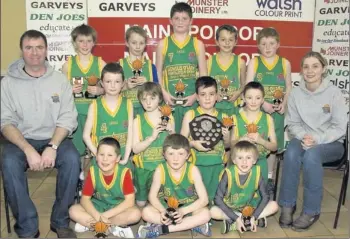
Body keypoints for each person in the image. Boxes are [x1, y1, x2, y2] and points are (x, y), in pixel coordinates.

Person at [0, 30, 80, 238]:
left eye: (39, 47)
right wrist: (27, 150)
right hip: (21, 139)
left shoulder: (60, 80)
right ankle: (27, 226)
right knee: (8, 162)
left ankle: (60, 221)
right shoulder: (7, 83)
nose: (34, 53)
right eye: (29, 47)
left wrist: (52, 147)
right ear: (22, 51)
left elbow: (67, 118)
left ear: (46, 50)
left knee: (72, 159)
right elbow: (5, 122)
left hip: (54, 137)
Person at [278, 51, 347, 231]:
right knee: (291, 152)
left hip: (332, 144)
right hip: (303, 139)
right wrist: (305, 137)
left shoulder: (334, 93)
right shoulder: (295, 94)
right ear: (301, 70)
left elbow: (340, 127)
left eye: (315, 66)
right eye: (306, 67)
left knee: (311, 156)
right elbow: (292, 123)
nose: (310, 71)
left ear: (323, 69)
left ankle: (311, 210)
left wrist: (317, 139)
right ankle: (287, 204)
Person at [246, 27, 292, 192]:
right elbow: (248, 86)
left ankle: (270, 177)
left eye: (271, 43)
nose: (268, 47)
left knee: (273, 145)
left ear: (278, 44)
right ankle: (251, 174)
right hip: (257, 110)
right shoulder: (254, 62)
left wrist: (283, 103)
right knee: (255, 142)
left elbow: (288, 87)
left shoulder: (285, 63)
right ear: (258, 45)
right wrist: (262, 103)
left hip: (276, 113)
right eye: (264, 44)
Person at [138, 134, 211, 238]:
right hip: (167, 209)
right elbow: (152, 196)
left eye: (180, 154)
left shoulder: (193, 170)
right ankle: (190, 225)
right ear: (164, 154)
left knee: (206, 214)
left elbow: (204, 200)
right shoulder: (160, 170)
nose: (175, 158)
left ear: (188, 155)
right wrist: (163, 211)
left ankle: (161, 229)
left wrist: (182, 211)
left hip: (187, 208)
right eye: (171, 153)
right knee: (145, 213)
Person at [69, 137, 141, 237]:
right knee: (73, 210)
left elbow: (129, 201)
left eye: (110, 155)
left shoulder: (125, 173)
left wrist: (104, 216)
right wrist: (97, 216)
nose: (105, 159)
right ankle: (113, 227)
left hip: (116, 208)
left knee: (136, 214)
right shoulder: (93, 171)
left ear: (118, 158)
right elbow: (85, 199)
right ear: (96, 156)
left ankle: (93, 225)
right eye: (101, 154)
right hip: (98, 206)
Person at [156, 2, 207, 132]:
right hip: (169, 101)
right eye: (176, 18)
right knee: (171, 140)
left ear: (191, 21)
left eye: (184, 18)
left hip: (191, 100)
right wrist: (164, 93)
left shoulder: (198, 44)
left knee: (190, 138)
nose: (180, 22)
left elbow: (204, 76)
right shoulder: (163, 44)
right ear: (170, 21)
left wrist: (196, 95)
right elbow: (157, 74)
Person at [181, 76, 232, 202]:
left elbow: (227, 146)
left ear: (216, 96)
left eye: (211, 94)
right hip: (196, 166)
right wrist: (192, 144)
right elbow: (181, 143)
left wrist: (227, 137)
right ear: (197, 97)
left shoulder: (224, 117)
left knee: (216, 202)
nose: (207, 98)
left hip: (217, 166)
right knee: (197, 201)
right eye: (203, 94)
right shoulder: (190, 115)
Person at [210, 141, 278, 234]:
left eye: (248, 158)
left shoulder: (257, 172)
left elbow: (265, 196)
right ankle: (247, 221)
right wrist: (236, 218)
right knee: (213, 212)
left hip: (248, 207)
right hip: (230, 207)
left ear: (254, 160)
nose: (244, 161)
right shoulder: (228, 173)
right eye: (240, 158)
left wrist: (254, 216)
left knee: (274, 205)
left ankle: (241, 222)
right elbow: (217, 199)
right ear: (234, 160)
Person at [62, 24, 106, 157]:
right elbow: (61, 93)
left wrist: (100, 90)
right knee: (76, 152)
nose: (85, 45)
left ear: (94, 43)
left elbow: (111, 89)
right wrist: (69, 90)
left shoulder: (100, 64)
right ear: (74, 43)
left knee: (96, 151)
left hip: (95, 114)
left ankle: (93, 177)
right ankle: (78, 176)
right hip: (75, 115)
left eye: (88, 41)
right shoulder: (67, 65)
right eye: (81, 41)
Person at [83, 63, 133, 168]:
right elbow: (86, 136)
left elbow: (131, 134)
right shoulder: (95, 106)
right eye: (108, 81)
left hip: (122, 159)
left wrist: (126, 157)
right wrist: (98, 154)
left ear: (123, 83)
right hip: (102, 162)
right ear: (101, 83)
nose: (113, 85)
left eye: (117, 81)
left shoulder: (128, 104)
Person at [132, 82, 175, 207]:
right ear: (140, 101)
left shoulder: (168, 117)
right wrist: (151, 138)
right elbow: (135, 149)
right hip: (144, 169)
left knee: (161, 202)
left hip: (162, 168)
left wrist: (172, 130)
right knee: (140, 203)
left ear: (160, 98)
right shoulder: (137, 121)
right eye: (144, 99)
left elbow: (176, 144)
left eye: (152, 98)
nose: (148, 103)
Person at [230, 82, 278, 181]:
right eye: (249, 97)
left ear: (262, 100)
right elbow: (231, 145)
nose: (253, 101)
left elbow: (274, 147)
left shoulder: (268, 119)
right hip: (240, 165)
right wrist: (241, 139)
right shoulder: (235, 118)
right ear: (243, 98)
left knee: (261, 195)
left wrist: (261, 141)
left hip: (260, 164)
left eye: (258, 98)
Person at [120, 26, 159, 117]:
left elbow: (158, 91)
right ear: (127, 43)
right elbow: (111, 90)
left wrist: (148, 84)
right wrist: (126, 86)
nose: (138, 46)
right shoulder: (119, 65)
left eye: (141, 43)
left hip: (146, 112)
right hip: (125, 111)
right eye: (134, 43)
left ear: (145, 44)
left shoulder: (151, 66)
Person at [208, 24, 246, 115]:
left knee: (233, 129)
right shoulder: (209, 61)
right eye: (223, 40)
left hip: (233, 108)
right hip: (213, 108)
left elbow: (244, 84)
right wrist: (214, 93)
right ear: (217, 41)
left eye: (230, 40)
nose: (227, 43)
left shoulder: (240, 62)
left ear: (235, 42)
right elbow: (205, 85)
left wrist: (238, 92)